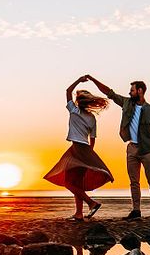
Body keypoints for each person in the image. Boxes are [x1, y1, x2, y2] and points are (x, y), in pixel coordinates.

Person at [81, 74, 150, 222]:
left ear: (140, 91)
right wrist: (93, 79)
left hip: (147, 150)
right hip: (131, 148)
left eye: (132, 90)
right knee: (134, 182)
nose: (129, 92)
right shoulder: (127, 103)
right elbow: (110, 93)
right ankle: (136, 210)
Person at [42, 75, 113, 220]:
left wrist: (78, 81)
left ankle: (91, 203)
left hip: (76, 149)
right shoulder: (92, 118)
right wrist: (89, 156)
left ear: (78, 102)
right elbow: (92, 140)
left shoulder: (74, 111)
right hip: (86, 150)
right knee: (77, 183)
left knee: (68, 182)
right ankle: (79, 213)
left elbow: (68, 91)